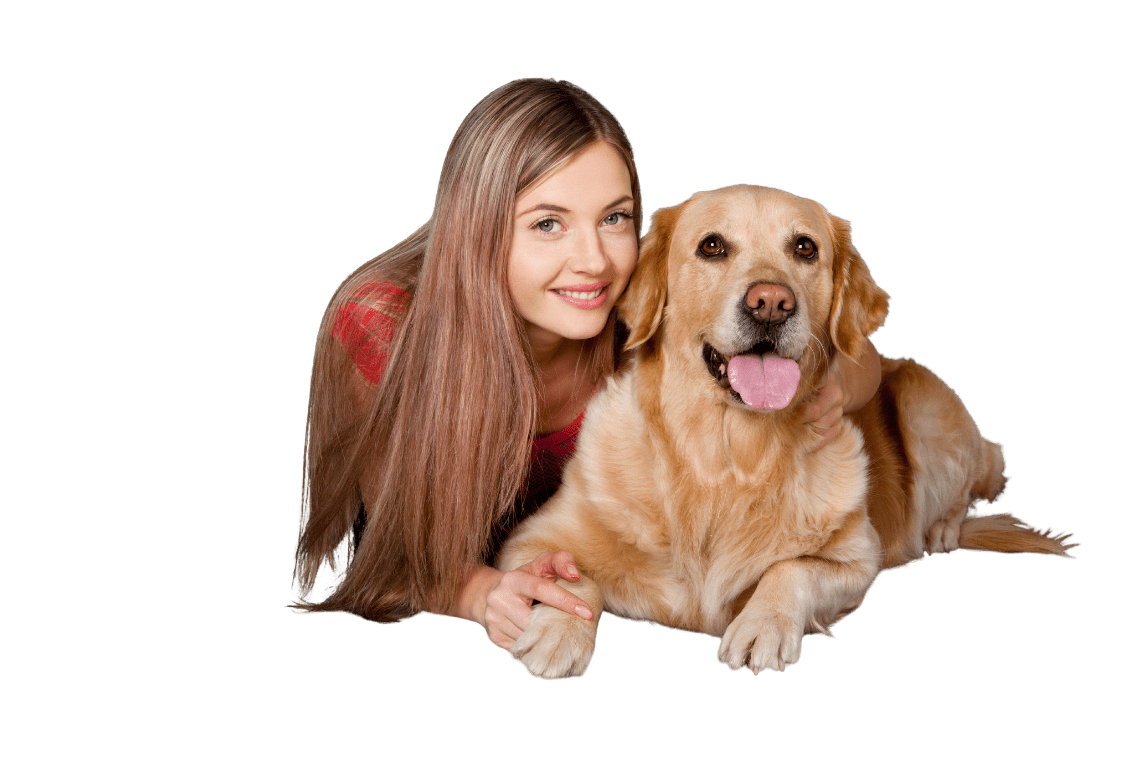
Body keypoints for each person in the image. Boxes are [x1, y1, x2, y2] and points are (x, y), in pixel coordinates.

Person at [290, 77, 884, 653]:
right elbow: (392, 548)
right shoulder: (380, 329)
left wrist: (827, 382)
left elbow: (862, 357)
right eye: (548, 223)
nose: (593, 260)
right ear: (478, 230)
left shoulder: (635, 315)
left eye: (614, 218)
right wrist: (481, 593)